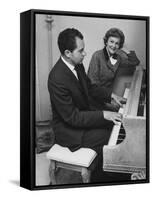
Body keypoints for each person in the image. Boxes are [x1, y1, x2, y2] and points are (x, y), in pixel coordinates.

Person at [48, 28, 124, 183]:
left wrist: (111, 95)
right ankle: (100, 177)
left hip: (81, 116)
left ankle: (102, 169)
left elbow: (90, 88)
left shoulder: (78, 64)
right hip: (67, 129)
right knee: (107, 133)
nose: (85, 54)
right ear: (68, 53)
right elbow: (72, 117)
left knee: (111, 125)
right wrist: (103, 114)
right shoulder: (57, 78)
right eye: (81, 50)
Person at [88, 28, 140, 111]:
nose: (113, 46)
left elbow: (135, 62)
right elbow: (93, 86)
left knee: (124, 105)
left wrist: (125, 49)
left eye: (117, 43)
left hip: (108, 96)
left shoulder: (118, 58)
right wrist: (111, 98)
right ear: (106, 42)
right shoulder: (97, 56)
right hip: (95, 98)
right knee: (119, 109)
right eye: (111, 42)